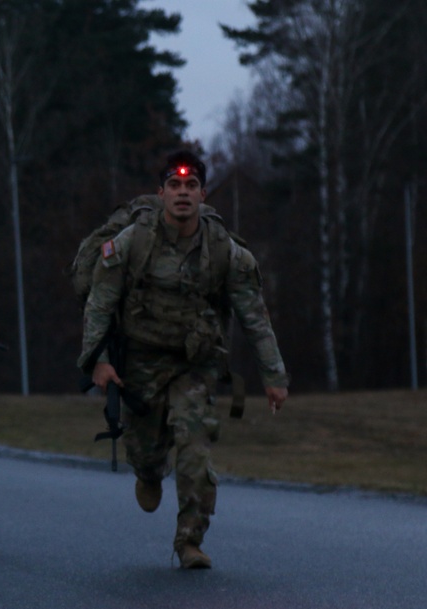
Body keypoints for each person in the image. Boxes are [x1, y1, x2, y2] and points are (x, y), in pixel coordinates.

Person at [77, 150, 290, 569]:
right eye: (174, 185)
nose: (182, 193)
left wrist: (274, 374)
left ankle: (190, 540)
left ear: (203, 194)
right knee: (145, 448)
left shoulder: (222, 248)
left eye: (191, 185)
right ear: (160, 194)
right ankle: (148, 473)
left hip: (195, 365)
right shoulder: (133, 241)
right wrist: (99, 360)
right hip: (139, 362)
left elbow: (253, 314)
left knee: (194, 445)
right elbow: (100, 303)